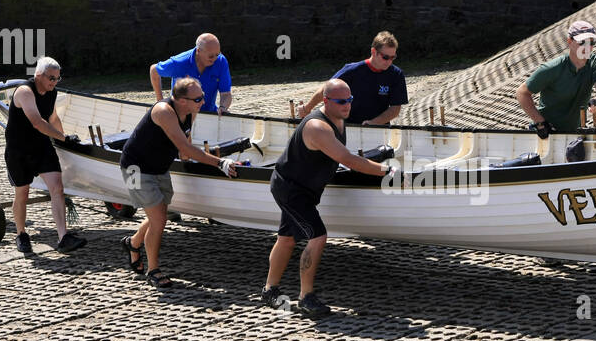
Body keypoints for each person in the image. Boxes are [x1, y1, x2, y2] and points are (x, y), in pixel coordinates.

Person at [262, 78, 395, 317]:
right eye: (341, 101)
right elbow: (350, 161)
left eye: (350, 100)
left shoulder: (338, 119)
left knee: (286, 239)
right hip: (291, 189)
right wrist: (387, 171)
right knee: (317, 236)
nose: (347, 105)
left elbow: (340, 157)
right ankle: (306, 297)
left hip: (305, 189)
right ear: (326, 101)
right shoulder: (318, 127)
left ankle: (269, 290)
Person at [120, 77, 238, 287]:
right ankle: (153, 270)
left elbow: (186, 139)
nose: (203, 101)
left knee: (160, 215)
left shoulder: (190, 110)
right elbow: (185, 148)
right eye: (199, 99)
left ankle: (133, 243)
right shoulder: (163, 111)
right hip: (136, 168)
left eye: (203, 96)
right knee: (159, 220)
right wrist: (220, 163)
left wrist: (188, 159)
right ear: (182, 100)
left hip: (159, 166)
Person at [4, 57, 86, 254]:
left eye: (58, 79)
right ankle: (21, 233)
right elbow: (37, 122)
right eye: (51, 78)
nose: (55, 82)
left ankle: (63, 237)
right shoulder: (25, 91)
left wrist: (65, 142)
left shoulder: (52, 92)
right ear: (38, 75)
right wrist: (64, 138)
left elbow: (52, 118)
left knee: (57, 188)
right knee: (22, 194)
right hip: (19, 149)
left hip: (41, 146)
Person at [516, 20, 596, 142]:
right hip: (546, 133)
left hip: (573, 133)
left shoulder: (595, 63)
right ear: (569, 41)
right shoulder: (552, 68)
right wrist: (540, 123)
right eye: (582, 42)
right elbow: (522, 93)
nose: (587, 47)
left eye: (591, 42)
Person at [298, 31, 407, 126]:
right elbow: (326, 90)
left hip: (378, 129)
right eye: (386, 57)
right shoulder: (352, 70)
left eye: (393, 57)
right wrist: (307, 108)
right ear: (373, 52)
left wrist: (374, 123)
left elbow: (395, 109)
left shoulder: (396, 75)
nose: (389, 61)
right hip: (348, 126)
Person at [150, 33, 233, 114]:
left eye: (217, 54)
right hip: (180, 114)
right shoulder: (179, 63)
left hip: (208, 113)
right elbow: (154, 70)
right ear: (198, 51)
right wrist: (160, 101)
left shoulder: (221, 61)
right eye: (211, 56)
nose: (215, 59)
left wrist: (223, 107)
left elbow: (226, 94)